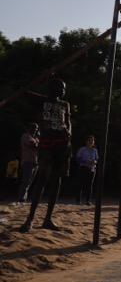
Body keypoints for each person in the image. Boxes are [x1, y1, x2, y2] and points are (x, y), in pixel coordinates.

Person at [20, 79, 72, 232]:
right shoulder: (41, 101)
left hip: (62, 144)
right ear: (51, 88)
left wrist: (69, 133)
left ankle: (48, 218)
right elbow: (23, 90)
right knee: (42, 177)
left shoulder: (65, 104)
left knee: (57, 180)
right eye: (60, 87)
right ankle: (30, 219)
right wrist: (43, 77)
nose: (63, 91)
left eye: (64, 88)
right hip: (46, 144)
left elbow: (68, 121)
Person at [17, 123, 40, 203]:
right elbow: (33, 146)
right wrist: (40, 144)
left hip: (35, 161)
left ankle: (24, 197)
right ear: (29, 128)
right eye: (34, 127)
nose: (35, 129)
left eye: (36, 128)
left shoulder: (36, 138)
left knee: (30, 181)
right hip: (27, 160)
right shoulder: (26, 136)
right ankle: (22, 197)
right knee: (26, 180)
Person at [75, 135, 98, 205]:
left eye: (92, 140)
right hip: (83, 168)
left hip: (92, 168)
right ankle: (78, 200)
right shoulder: (82, 149)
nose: (91, 142)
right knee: (80, 184)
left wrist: (94, 161)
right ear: (86, 142)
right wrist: (85, 161)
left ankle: (88, 200)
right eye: (89, 140)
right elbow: (77, 159)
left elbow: (97, 159)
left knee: (90, 184)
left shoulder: (95, 150)